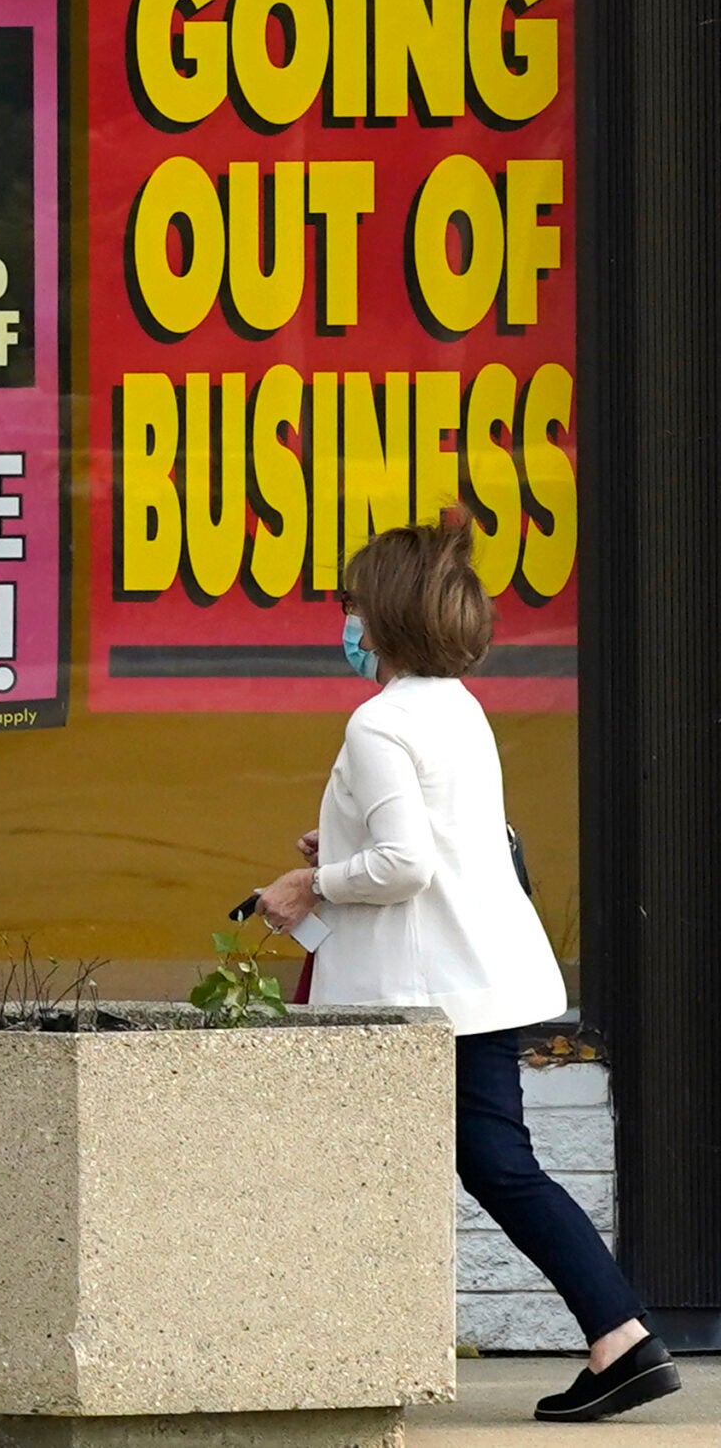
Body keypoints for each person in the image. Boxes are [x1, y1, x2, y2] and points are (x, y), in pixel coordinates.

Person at [253, 517, 681, 1425]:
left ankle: (336, 1358)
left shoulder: (378, 722)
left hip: (414, 998)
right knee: (497, 1162)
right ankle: (621, 1336)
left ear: (384, 615)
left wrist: (309, 881)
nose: (346, 619)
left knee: (355, 1164)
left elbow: (406, 865)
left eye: (351, 602)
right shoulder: (457, 706)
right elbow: (441, 839)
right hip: (472, 982)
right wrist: (345, 841)